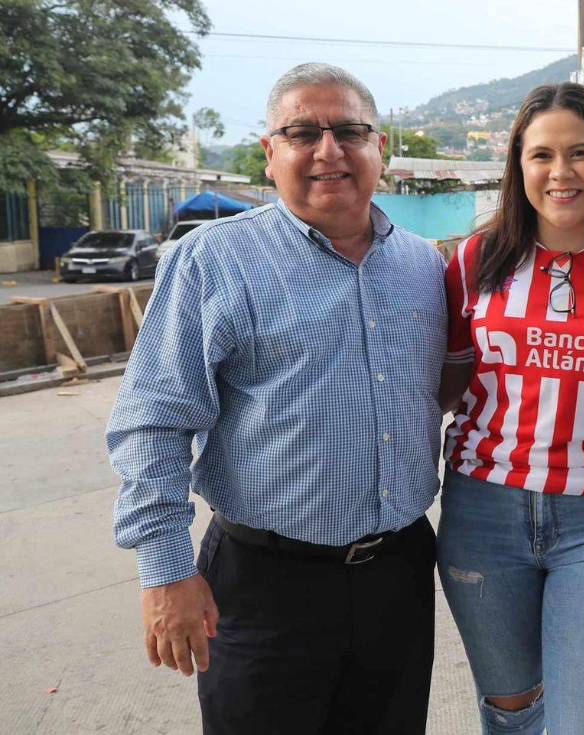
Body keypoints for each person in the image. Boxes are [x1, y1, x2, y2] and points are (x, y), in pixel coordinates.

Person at [107, 63, 446, 734]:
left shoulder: (426, 266)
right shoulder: (213, 260)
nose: (328, 150)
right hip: (264, 583)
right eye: (301, 132)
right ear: (270, 154)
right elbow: (153, 420)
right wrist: (165, 570)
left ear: (382, 148)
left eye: (349, 130)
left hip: (397, 575)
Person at [435, 82, 584, 735]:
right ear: (518, 165)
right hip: (483, 513)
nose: (562, 171)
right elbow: (444, 384)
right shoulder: (474, 260)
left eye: (582, 152)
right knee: (511, 714)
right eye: (542, 154)